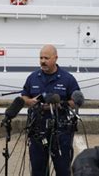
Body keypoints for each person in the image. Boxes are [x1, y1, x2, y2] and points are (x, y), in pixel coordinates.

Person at [21, 44, 80, 176]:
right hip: (37, 130)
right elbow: (24, 95)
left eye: (46, 58)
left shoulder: (68, 79)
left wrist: (58, 104)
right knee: (38, 170)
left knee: (63, 169)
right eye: (41, 57)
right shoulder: (33, 77)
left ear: (55, 58)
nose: (43, 61)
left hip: (61, 132)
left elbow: (76, 100)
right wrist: (29, 101)